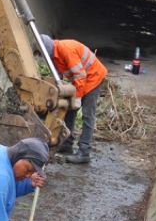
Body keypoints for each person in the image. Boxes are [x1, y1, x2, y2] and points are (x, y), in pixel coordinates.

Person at [40, 34, 107, 163]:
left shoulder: (66, 50)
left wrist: (78, 98)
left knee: (88, 114)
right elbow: (58, 76)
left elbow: (80, 75)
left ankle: (84, 152)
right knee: (70, 109)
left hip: (94, 77)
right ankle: (67, 144)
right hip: (81, 79)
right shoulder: (54, 55)